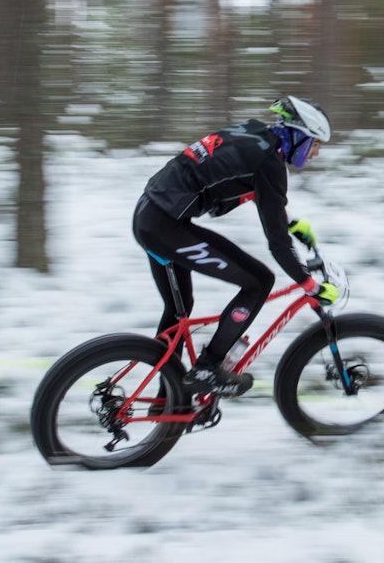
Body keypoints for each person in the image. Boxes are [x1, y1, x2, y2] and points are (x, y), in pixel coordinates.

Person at [132, 96, 338, 398]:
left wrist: (289, 222)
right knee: (259, 281)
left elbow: (234, 189)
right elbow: (278, 244)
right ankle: (208, 368)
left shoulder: (254, 133)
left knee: (179, 313)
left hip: (149, 215)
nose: (315, 153)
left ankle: (168, 401)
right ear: (298, 136)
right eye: (315, 144)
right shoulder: (269, 164)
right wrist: (310, 285)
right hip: (166, 225)